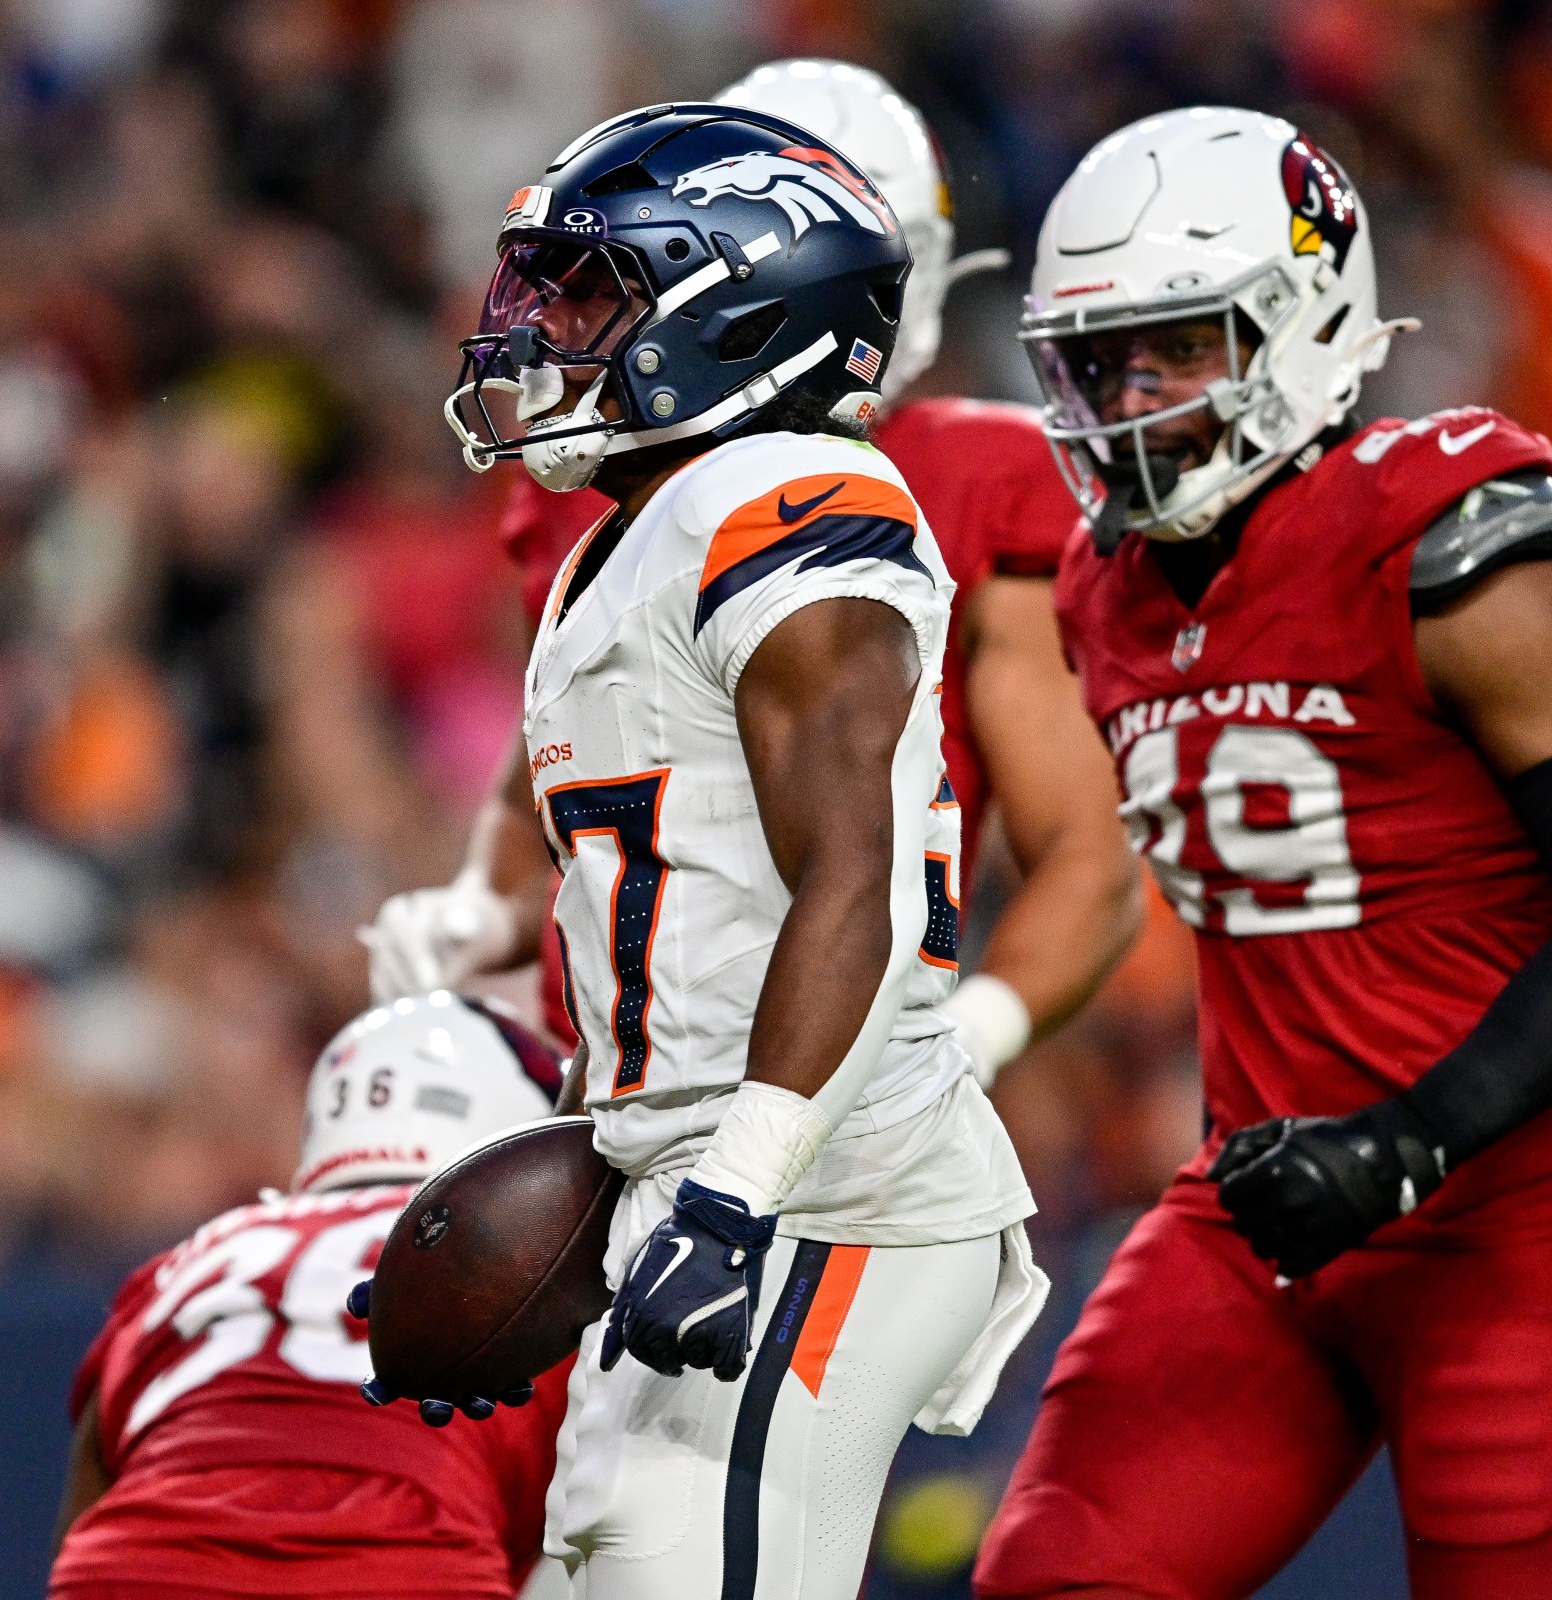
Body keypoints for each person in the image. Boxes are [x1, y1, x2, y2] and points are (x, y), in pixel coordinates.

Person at [972, 109, 1552, 1600]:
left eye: (1174, 348)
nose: (1130, 398)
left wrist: (1414, 1137)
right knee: (1058, 1580)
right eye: (1100, 359)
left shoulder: (1436, 537)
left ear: (1294, 326)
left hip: (1511, 1216)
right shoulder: (1099, 592)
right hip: (1261, 1202)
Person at [365, 103, 1046, 1600]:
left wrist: (736, 1190)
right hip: (707, 1181)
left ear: (736, 308)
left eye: (593, 290)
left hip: (826, 1196)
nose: (544, 326)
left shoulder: (790, 501)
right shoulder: (634, 536)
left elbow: (847, 882)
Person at [361, 61, 1139, 1089]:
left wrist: (970, 1039)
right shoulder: (597, 467)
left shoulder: (966, 485)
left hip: (807, 1064)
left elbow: (1086, 859)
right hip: (596, 1072)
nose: (569, 322)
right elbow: (548, 776)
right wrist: (479, 904)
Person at [48, 991, 566, 1600]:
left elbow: (93, 1477)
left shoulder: (196, 1253)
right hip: (396, 1567)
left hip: (138, 1566)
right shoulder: (538, 1260)